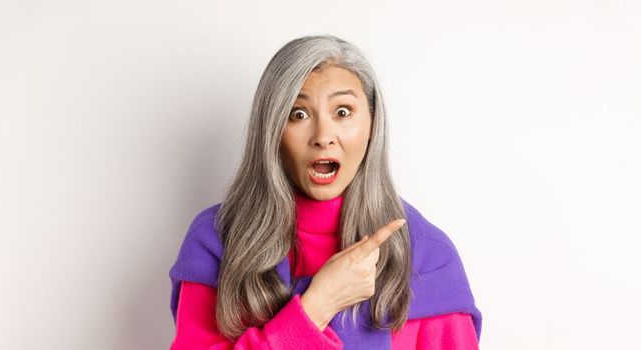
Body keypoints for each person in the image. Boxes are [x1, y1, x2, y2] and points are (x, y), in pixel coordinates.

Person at [169, 34, 481, 349]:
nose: (323, 136)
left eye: (342, 112)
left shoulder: (427, 255)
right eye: (298, 114)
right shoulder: (216, 240)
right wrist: (317, 306)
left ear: (372, 125)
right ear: (272, 130)